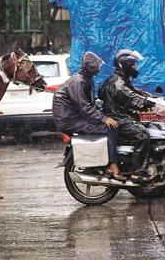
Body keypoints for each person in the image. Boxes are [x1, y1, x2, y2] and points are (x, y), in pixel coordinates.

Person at [53, 51, 124, 180]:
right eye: (96, 66)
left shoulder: (86, 79)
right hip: (70, 120)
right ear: (89, 67)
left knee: (113, 123)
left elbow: (90, 104)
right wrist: (104, 118)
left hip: (76, 116)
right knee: (110, 128)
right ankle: (112, 166)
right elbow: (85, 107)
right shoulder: (78, 82)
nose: (98, 68)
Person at [99, 50, 156, 175]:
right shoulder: (117, 83)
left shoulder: (122, 79)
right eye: (132, 65)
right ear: (123, 65)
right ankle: (138, 172)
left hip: (124, 116)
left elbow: (136, 92)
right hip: (119, 119)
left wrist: (154, 97)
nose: (135, 67)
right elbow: (132, 98)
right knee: (142, 135)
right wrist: (149, 103)